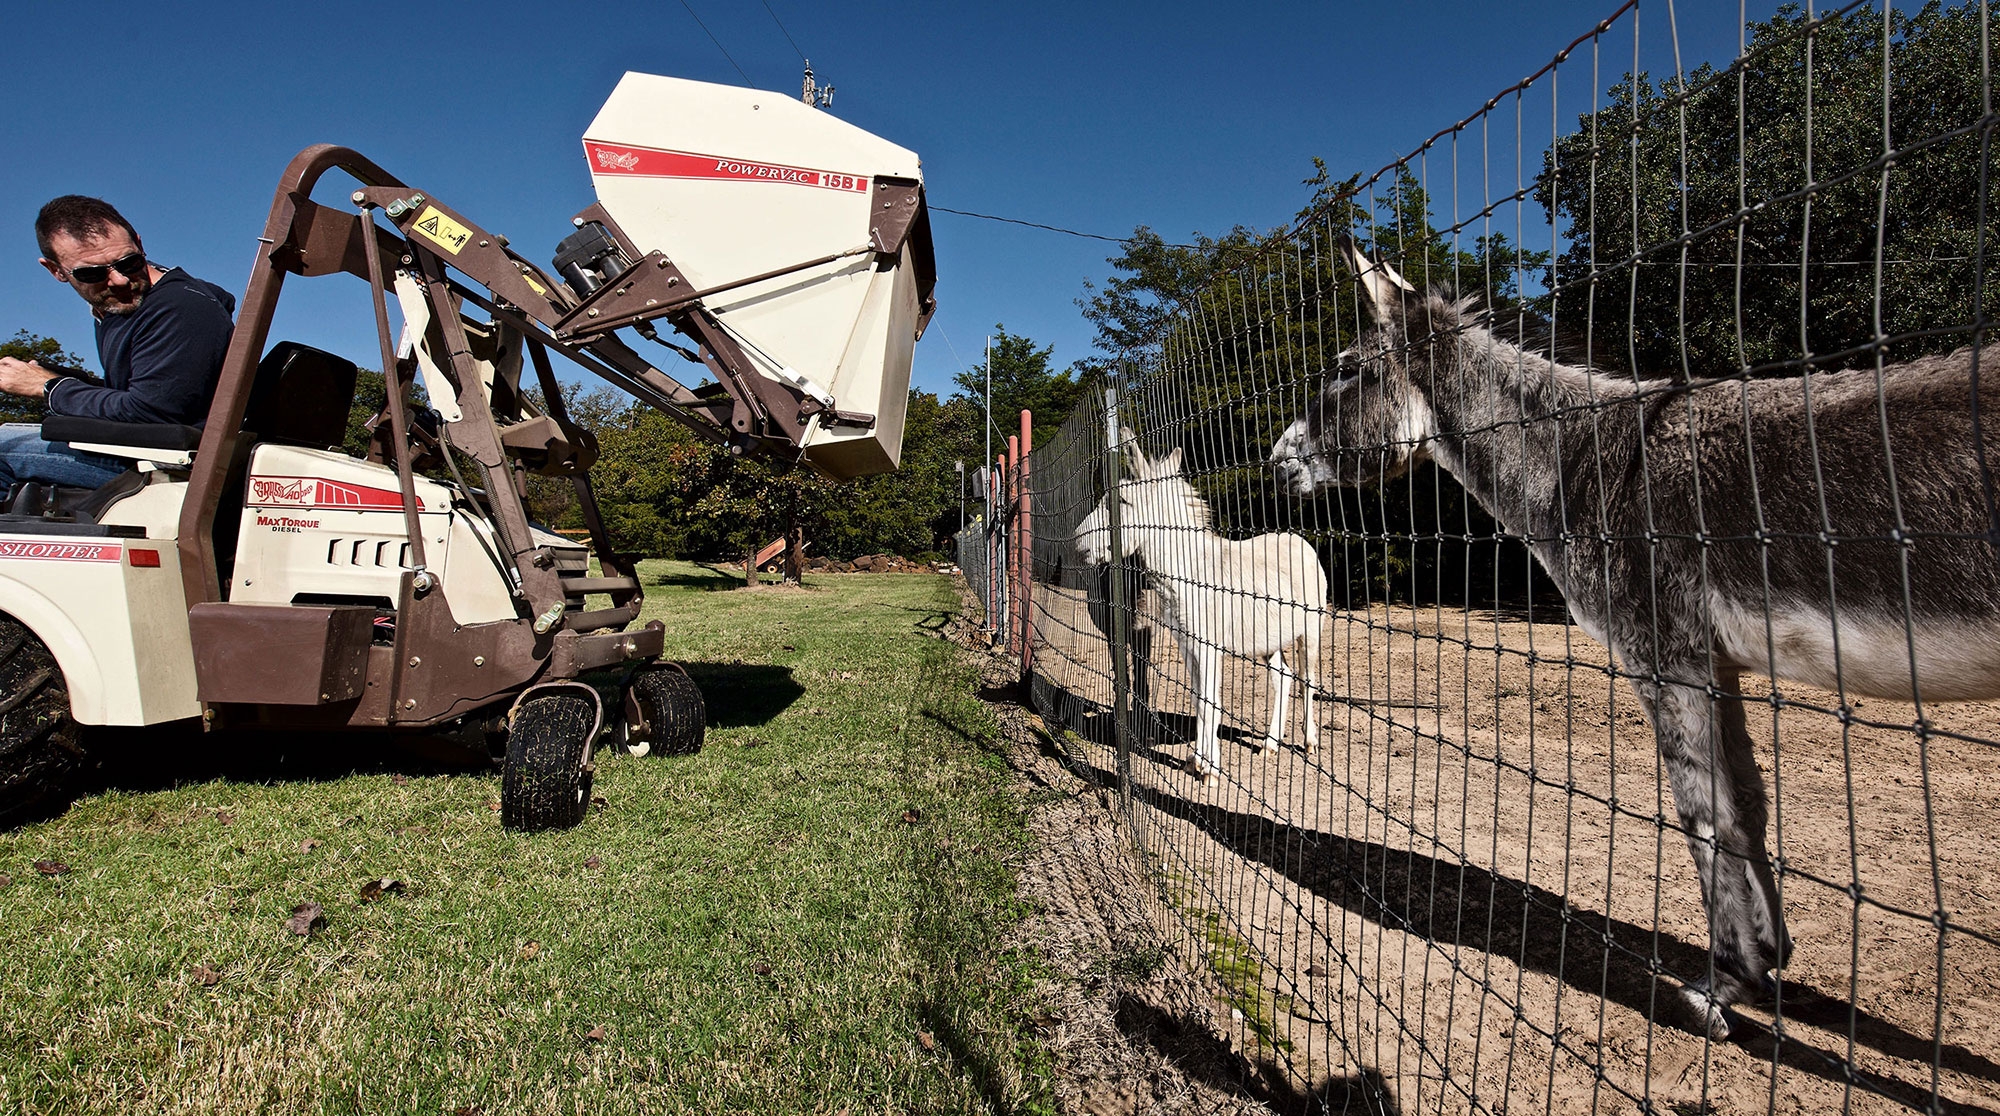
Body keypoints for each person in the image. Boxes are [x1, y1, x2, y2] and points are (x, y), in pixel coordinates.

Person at [0, 196, 235, 495]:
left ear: (139, 243)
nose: (120, 280)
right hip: (140, 447)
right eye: (92, 273)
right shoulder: (119, 307)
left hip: (166, 463)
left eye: (129, 262)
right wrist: (64, 379)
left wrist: (49, 387)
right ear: (56, 271)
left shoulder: (179, 308)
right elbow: (142, 391)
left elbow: (152, 412)